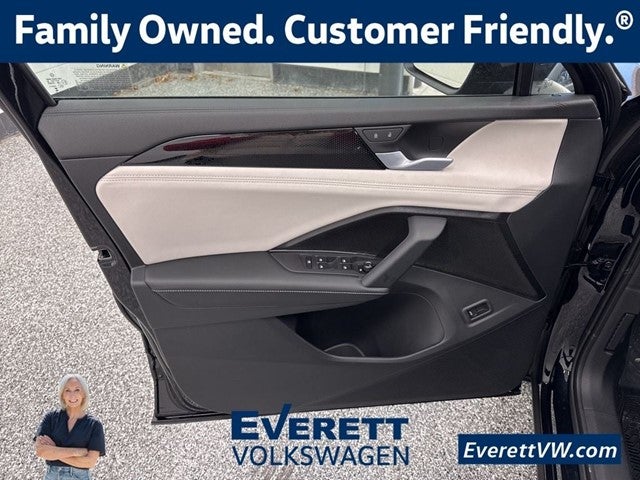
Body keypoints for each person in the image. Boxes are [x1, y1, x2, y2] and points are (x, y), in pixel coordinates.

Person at [34, 374, 106, 480]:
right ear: (62, 395)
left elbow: (90, 462)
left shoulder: (94, 425)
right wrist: (76, 452)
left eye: (77, 390)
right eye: (67, 390)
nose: (72, 395)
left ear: (84, 394)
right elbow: (40, 451)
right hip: (52, 476)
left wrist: (54, 450)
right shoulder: (51, 418)